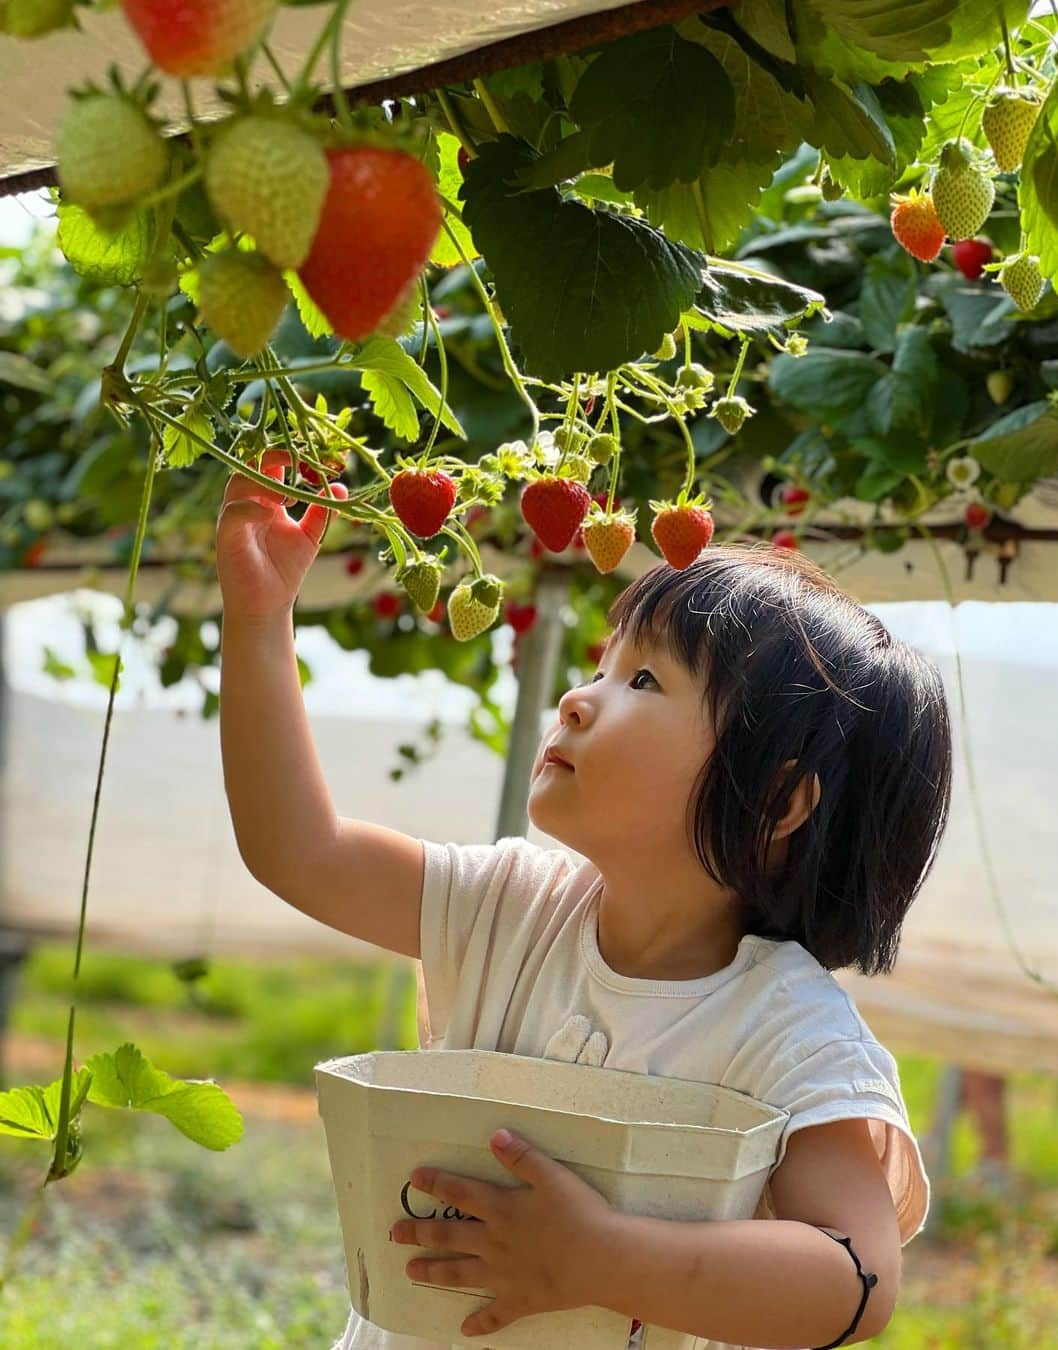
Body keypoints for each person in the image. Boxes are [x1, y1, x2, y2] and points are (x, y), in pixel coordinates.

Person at [216, 451, 953, 1350]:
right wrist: (258, 620)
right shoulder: (507, 909)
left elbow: (856, 1280)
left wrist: (600, 1258)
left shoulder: (789, 1033)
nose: (575, 699)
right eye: (601, 667)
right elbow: (301, 852)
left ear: (775, 804)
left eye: (643, 681)